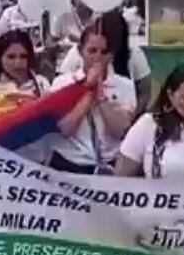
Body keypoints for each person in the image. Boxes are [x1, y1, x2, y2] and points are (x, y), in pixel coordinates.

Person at [49, 27, 137, 175]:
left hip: (110, 162)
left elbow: (121, 131)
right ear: (80, 50)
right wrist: (87, 92)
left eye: (104, 52)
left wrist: (101, 95)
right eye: (92, 51)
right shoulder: (62, 83)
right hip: (71, 162)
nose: (98, 57)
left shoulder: (125, 85)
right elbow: (63, 129)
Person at [0, 30, 53, 162]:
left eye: (23, 56)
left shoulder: (42, 84)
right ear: (0, 57)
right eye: (11, 57)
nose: (18, 63)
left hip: (34, 163)